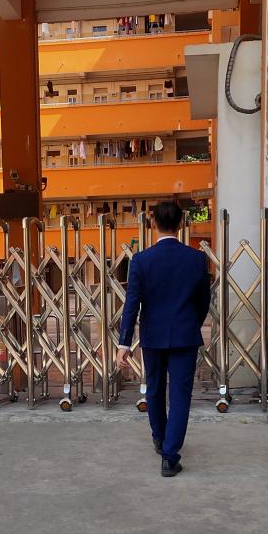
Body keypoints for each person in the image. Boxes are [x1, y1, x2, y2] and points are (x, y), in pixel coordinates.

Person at [115, 201, 211, 477]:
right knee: (180, 395)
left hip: (153, 336)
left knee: (155, 389)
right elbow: (203, 301)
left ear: (152, 224)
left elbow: (132, 304)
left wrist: (124, 343)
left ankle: (159, 437)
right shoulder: (196, 259)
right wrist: (191, 323)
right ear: (181, 224)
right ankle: (170, 457)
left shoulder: (141, 260)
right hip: (185, 335)